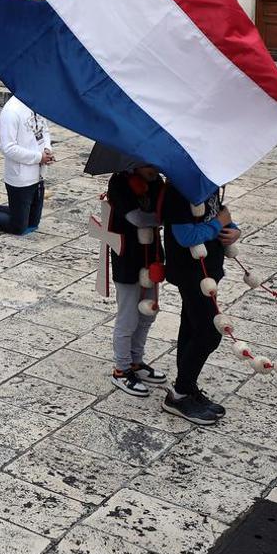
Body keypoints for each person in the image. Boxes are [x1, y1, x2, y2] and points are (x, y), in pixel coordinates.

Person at [160, 193, 239, 425]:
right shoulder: (180, 191)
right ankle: (179, 394)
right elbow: (186, 236)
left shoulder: (209, 182)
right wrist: (219, 224)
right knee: (208, 332)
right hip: (191, 271)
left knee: (192, 326)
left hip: (209, 269)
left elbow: (218, 213)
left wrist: (233, 230)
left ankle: (187, 386)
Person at [104, 165, 168, 397]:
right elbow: (138, 218)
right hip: (128, 258)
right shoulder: (119, 182)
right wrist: (164, 217)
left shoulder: (156, 181)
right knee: (128, 315)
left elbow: (163, 208)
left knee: (148, 312)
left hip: (152, 256)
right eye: (149, 165)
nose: (155, 169)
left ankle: (136, 362)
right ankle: (121, 369)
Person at [0, 95, 51, 235]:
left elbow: (44, 130)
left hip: (38, 173)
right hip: (21, 176)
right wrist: (39, 157)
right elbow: (7, 147)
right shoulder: (11, 111)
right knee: (18, 227)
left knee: (33, 223)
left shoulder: (37, 103)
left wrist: (47, 149)